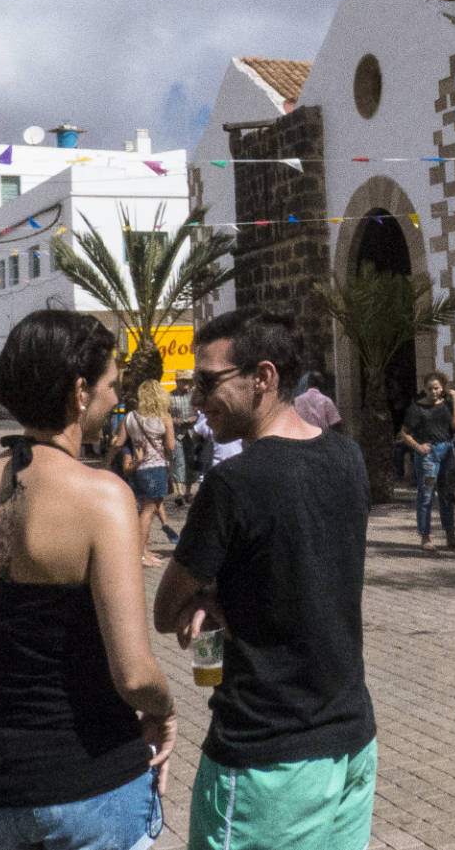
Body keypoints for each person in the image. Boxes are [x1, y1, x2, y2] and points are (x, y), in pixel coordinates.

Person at [0, 310, 175, 850]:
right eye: (110, 387)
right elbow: (134, 673)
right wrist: (165, 710)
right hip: (91, 782)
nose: (113, 400)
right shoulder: (103, 497)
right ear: (79, 391)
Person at [154, 309, 377, 850]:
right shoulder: (347, 457)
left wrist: (206, 595)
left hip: (267, 758)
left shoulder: (232, 484)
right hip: (351, 742)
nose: (197, 398)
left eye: (208, 382)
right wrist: (221, 593)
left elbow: (164, 611)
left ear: (265, 378)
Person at [114, 380, 179, 568]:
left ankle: (143, 551)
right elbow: (171, 446)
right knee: (148, 513)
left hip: (137, 469)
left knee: (145, 510)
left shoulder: (131, 417)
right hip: (156, 468)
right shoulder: (163, 418)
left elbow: (119, 442)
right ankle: (139, 555)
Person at [399, 373, 455, 550]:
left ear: (442, 387)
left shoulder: (447, 405)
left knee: (447, 494)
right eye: (429, 388)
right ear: (424, 389)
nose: (433, 392)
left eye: (436, 388)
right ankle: (425, 537)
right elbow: (404, 433)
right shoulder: (416, 408)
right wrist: (418, 447)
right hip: (428, 456)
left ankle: (451, 536)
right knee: (426, 494)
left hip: (446, 452)